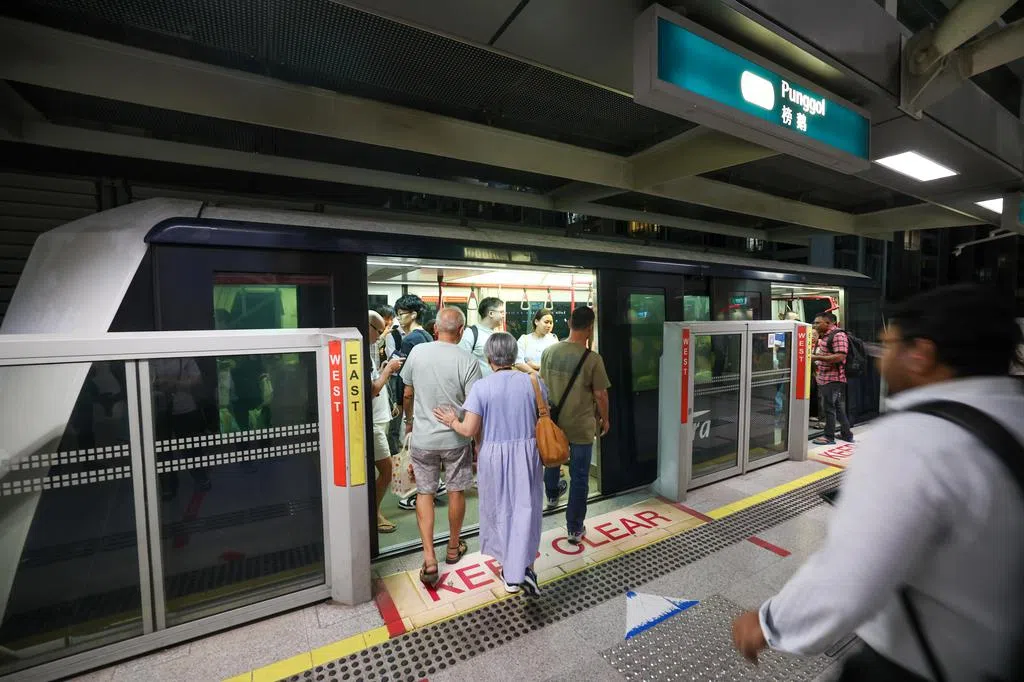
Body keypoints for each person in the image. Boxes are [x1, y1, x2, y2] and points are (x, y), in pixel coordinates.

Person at [732, 284, 1024, 682]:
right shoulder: (1012, 415)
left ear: (921, 355)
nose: (881, 358)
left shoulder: (914, 439)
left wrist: (768, 623)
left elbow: (851, 574)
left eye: (889, 346)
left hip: (916, 666)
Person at [433, 332, 546, 595]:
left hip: (495, 456)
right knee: (527, 510)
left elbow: (469, 429)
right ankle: (526, 567)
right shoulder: (533, 382)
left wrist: (452, 420)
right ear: (514, 355)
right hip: (528, 454)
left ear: (488, 357)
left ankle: (511, 573)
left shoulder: (482, 387)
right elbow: (543, 417)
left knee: (501, 511)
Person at [400, 307, 482, 586]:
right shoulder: (468, 359)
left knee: (425, 492)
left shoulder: (417, 352)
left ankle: (429, 558)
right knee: (457, 490)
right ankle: (453, 548)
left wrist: (409, 423)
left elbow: (407, 392)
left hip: (423, 439)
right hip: (455, 439)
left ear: (435, 328)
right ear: (461, 331)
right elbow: (474, 404)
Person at [539, 306, 610, 542]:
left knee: (553, 459)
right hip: (581, 425)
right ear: (590, 328)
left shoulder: (549, 352)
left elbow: (542, 386)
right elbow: (600, 395)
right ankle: (574, 528)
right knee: (579, 476)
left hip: (554, 422)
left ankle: (551, 495)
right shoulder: (593, 359)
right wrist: (605, 418)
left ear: (569, 323)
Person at [368, 310, 403, 534]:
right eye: (379, 331)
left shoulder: (367, 353)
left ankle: (373, 511)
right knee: (387, 470)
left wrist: (382, 371)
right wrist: (388, 370)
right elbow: (372, 389)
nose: (381, 336)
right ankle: (373, 513)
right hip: (372, 424)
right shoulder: (360, 352)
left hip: (379, 418)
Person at [811, 312, 854, 445]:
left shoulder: (838, 335)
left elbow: (840, 356)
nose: (815, 325)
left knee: (828, 407)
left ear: (828, 323)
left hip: (833, 378)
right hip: (825, 377)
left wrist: (817, 357)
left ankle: (829, 437)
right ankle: (847, 434)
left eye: (818, 323)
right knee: (836, 407)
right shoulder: (825, 336)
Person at [460, 297, 505, 377]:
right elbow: (461, 362)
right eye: (501, 312)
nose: (503, 316)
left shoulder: (496, 335)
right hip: (478, 383)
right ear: (491, 313)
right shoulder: (471, 333)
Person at [516, 308, 559, 374]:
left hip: (548, 379)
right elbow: (518, 363)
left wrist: (535, 366)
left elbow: (557, 364)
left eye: (551, 323)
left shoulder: (553, 340)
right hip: (528, 379)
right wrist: (537, 374)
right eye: (546, 322)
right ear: (536, 322)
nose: (549, 325)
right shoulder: (524, 339)